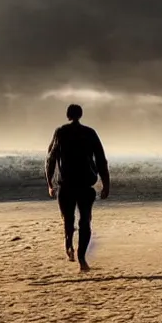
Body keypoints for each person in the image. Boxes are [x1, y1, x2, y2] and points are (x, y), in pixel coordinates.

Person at [45, 104, 110, 272]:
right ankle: (81, 257)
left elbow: (50, 159)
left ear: (67, 115)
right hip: (85, 185)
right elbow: (101, 161)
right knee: (85, 221)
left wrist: (50, 183)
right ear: (80, 115)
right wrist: (106, 184)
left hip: (66, 185)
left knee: (68, 219)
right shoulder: (89, 133)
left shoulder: (60, 132)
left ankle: (69, 247)